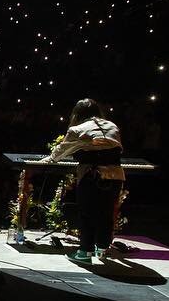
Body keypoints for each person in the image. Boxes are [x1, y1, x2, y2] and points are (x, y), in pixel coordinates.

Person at [41, 97, 125, 263]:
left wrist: (48, 159)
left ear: (77, 114)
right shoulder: (113, 126)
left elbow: (59, 153)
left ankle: (85, 252)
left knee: (88, 213)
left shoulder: (78, 129)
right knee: (106, 212)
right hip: (115, 175)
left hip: (92, 176)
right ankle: (102, 250)